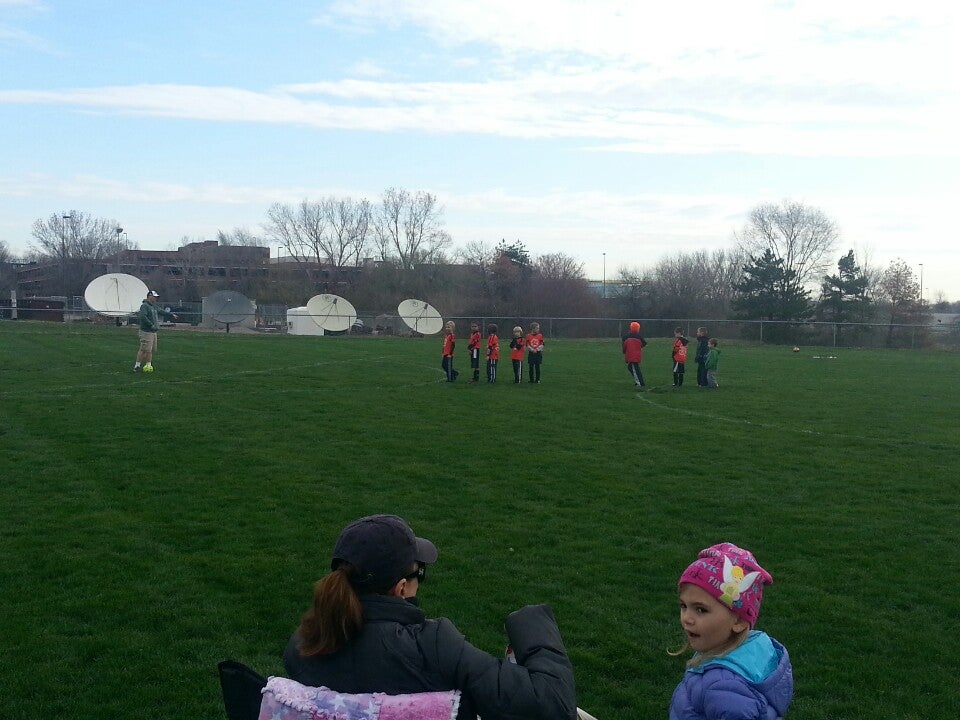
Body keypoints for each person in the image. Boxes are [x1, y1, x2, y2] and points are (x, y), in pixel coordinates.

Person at [283, 514, 578, 720]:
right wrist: (532, 623)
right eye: (419, 573)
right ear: (401, 588)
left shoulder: (303, 644)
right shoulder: (433, 646)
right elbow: (552, 703)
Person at [670, 542, 793, 720]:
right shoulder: (752, 650)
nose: (686, 618)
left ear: (739, 621)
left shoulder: (723, 688)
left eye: (701, 610)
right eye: (684, 606)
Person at [133, 290, 177, 372]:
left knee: (150, 350)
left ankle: (148, 365)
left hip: (153, 332)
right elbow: (143, 317)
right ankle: (137, 366)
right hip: (146, 331)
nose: (156, 298)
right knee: (144, 349)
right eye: (154, 297)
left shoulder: (154, 306)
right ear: (149, 296)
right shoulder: (144, 306)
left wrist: (171, 314)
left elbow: (161, 311)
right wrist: (151, 325)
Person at [622, 321, 647, 388]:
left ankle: (640, 383)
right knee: (631, 367)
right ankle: (638, 381)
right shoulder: (639, 337)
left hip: (631, 355)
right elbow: (644, 343)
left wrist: (624, 351)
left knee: (635, 369)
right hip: (637, 355)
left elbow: (624, 344)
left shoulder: (626, 337)